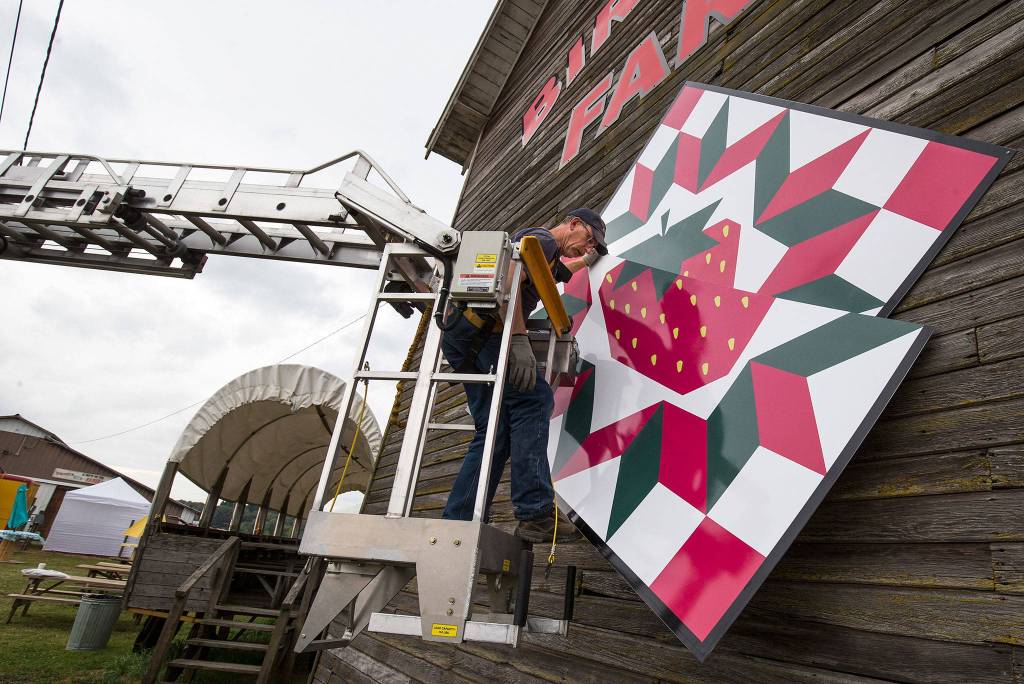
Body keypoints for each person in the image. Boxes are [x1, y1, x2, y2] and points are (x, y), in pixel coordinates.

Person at [440, 208, 608, 542]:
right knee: (534, 399)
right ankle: (535, 512)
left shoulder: (549, 256)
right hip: (482, 333)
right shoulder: (542, 240)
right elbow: (510, 280)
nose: (585, 248)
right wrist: (518, 340)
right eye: (588, 239)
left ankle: (459, 519)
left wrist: (586, 262)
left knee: (495, 431)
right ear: (573, 224)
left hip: (469, 337)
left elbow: (559, 270)